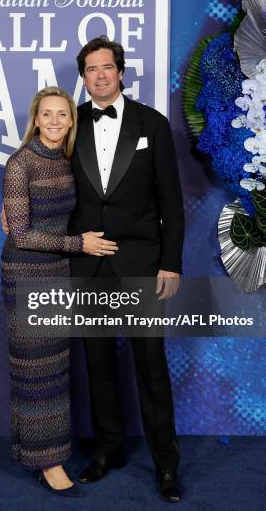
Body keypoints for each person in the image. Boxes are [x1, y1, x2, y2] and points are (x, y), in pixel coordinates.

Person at [69, 37, 184, 502]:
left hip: (140, 263)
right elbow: (45, 180)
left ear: (121, 72)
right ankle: (108, 451)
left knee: (151, 368)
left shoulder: (152, 125)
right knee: (98, 367)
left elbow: (171, 203)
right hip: (88, 264)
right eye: (91, 69)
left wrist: (171, 263)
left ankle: (166, 465)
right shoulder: (68, 123)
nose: (99, 75)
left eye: (107, 67)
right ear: (83, 77)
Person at [0, 85, 118, 498]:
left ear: (71, 121)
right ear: (35, 119)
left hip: (59, 272)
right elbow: (21, 233)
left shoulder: (67, 161)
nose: (53, 121)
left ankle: (41, 451)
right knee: (34, 371)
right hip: (26, 272)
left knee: (54, 368)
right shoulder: (21, 163)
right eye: (46, 114)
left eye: (62, 115)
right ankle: (48, 463)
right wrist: (78, 244)